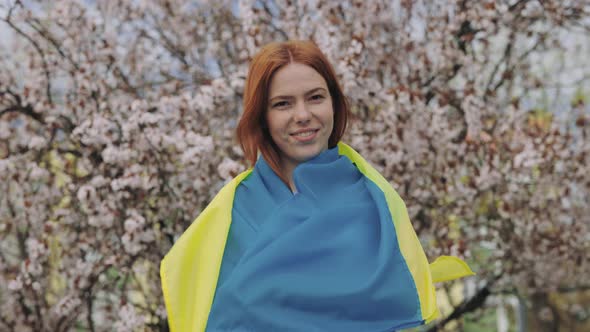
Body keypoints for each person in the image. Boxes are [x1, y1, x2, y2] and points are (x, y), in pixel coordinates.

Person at [160, 40, 474, 332]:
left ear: (334, 104)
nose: (303, 115)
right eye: (283, 104)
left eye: (315, 98)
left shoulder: (374, 203)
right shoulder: (231, 215)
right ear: (262, 116)